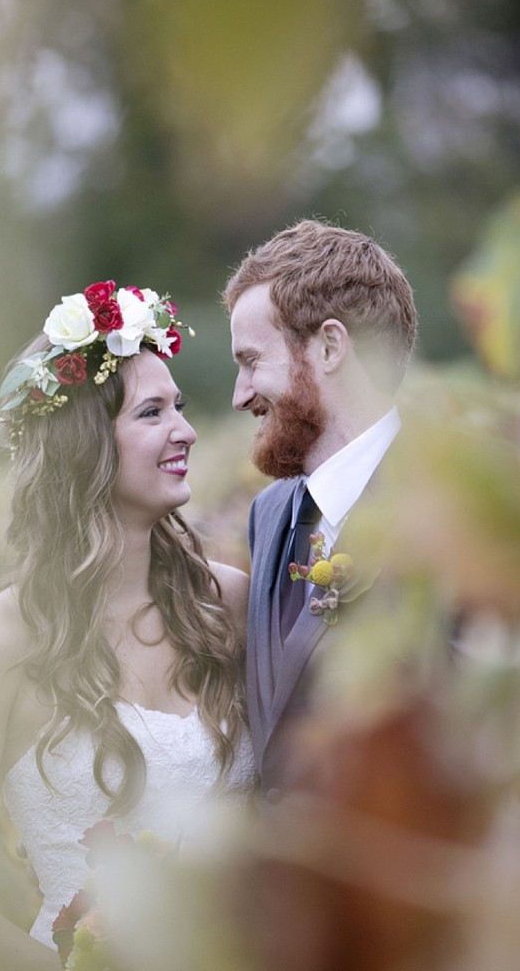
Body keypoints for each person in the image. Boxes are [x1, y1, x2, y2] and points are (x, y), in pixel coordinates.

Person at [0, 282, 256, 971]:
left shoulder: (232, 605)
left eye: (179, 408)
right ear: (83, 445)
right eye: (152, 412)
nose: (184, 429)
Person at [222, 219, 418, 796]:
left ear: (329, 346)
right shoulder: (268, 514)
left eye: (251, 360)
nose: (239, 395)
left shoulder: (444, 507)